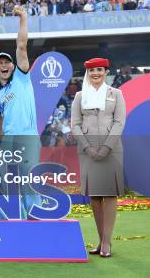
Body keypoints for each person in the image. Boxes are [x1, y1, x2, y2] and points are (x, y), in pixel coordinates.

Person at [71, 57, 125, 258]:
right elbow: (75, 124)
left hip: (112, 150)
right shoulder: (79, 96)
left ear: (106, 72)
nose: (96, 74)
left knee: (110, 195)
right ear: (87, 73)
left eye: (100, 70)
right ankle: (100, 239)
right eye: (92, 70)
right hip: (87, 152)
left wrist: (106, 148)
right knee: (95, 196)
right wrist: (88, 148)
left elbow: (119, 122)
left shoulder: (116, 94)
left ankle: (106, 242)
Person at [0, 5, 42, 219]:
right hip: (8, 143)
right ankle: (16, 224)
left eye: (7, 62)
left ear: (13, 66)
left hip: (27, 138)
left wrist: (23, 17)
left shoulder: (22, 78)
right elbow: (0, 121)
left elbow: (21, 46)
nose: (3, 65)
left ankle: (37, 222)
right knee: (8, 185)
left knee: (30, 183)